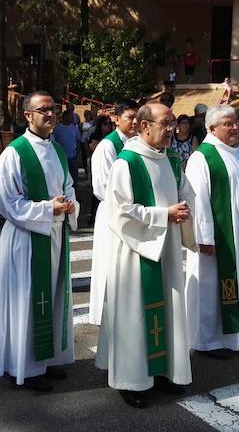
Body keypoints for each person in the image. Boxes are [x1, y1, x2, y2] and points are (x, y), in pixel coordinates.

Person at [0, 91, 79, 392]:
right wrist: (49, 208)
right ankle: (25, 366)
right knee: (28, 300)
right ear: (27, 116)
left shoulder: (57, 150)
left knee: (54, 297)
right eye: (43, 109)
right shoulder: (15, 152)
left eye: (54, 108)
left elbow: (68, 186)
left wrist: (70, 205)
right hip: (26, 240)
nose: (50, 114)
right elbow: (6, 202)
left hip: (55, 235)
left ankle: (47, 358)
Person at [95, 102, 197, 408]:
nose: (170, 129)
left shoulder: (172, 159)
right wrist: (163, 214)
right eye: (164, 124)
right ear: (144, 127)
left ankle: (166, 370)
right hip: (134, 251)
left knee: (167, 308)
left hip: (165, 248)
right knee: (135, 313)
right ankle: (133, 380)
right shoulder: (126, 163)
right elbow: (119, 211)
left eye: (172, 124)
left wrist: (185, 211)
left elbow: (185, 194)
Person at [185, 105, 239, 359]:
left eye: (235, 123)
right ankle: (208, 340)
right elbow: (197, 199)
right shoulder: (203, 157)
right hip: (218, 238)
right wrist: (205, 237)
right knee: (210, 288)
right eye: (227, 124)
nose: (234, 128)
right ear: (211, 128)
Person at [88, 100, 139, 326]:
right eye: (130, 117)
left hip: (135, 213)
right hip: (112, 213)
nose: (135, 122)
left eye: (138, 117)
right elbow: (101, 186)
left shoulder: (139, 143)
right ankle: (105, 313)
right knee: (110, 262)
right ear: (116, 119)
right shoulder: (108, 146)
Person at [52, 109, 81, 184]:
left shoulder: (75, 128)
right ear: (64, 117)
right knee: (62, 178)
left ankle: (75, 194)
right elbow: (53, 142)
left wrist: (78, 154)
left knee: (74, 178)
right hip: (60, 158)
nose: (72, 117)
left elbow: (78, 141)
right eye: (70, 116)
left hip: (72, 157)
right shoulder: (57, 128)